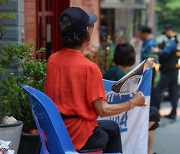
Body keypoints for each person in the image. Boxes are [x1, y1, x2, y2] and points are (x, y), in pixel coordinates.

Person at [44, 7, 146, 153]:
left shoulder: (53, 59)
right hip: (77, 133)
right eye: (91, 26)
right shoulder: (89, 68)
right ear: (86, 33)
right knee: (105, 134)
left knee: (112, 128)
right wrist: (133, 103)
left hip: (57, 128)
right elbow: (103, 110)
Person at [103, 43, 160, 154]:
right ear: (131, 58)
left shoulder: (113, 70)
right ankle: (147, 149)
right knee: (153, 114)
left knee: (152, 114)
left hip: (116, 110)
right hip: (118, 111)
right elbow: (132, 85)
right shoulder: (118, 73)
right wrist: (145, 67)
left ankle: (149, 150)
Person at [152, 24, 179, 120]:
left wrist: (157, 50)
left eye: (166, 32)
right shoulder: (176, 40)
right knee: (173, 91)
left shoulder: (170, 42)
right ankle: (173, 113)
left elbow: (165, 54)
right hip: (174, 70)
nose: (165, 34)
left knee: (159, 89)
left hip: (168, 70)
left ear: (169, 30)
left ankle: (156, 113)